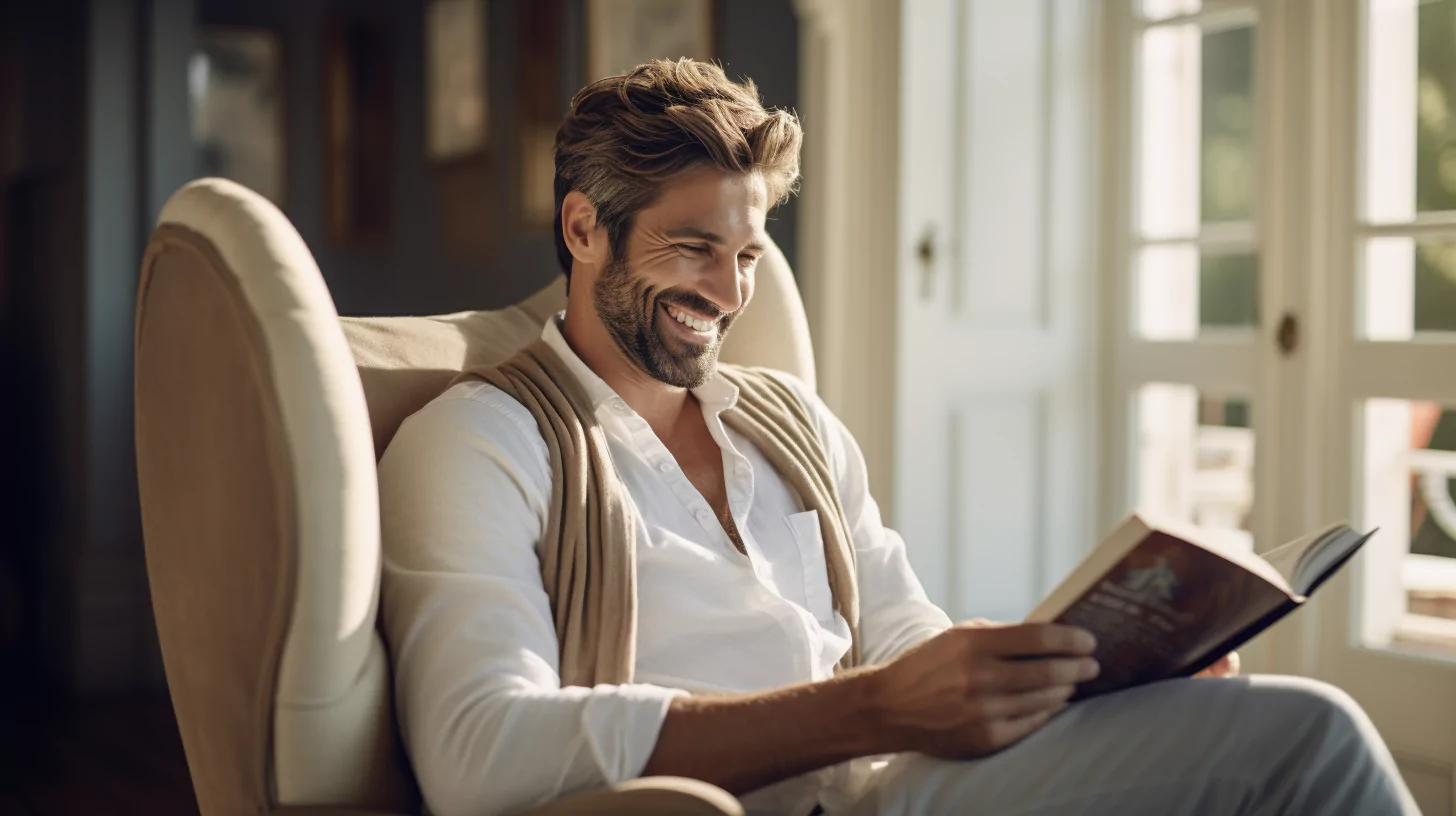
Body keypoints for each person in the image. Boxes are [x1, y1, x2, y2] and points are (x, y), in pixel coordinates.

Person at [377, 59, 1417, 816]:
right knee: (1308, 741)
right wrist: (873, 712)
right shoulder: (481, 445)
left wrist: (1077, 681)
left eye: (746, 252)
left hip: (906, 790)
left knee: (1282, 731)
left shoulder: (789, 424)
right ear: (581, 228)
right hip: (733, 804)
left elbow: (901, 633)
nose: (730, 291)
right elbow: (480, 750)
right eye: (693, 248)